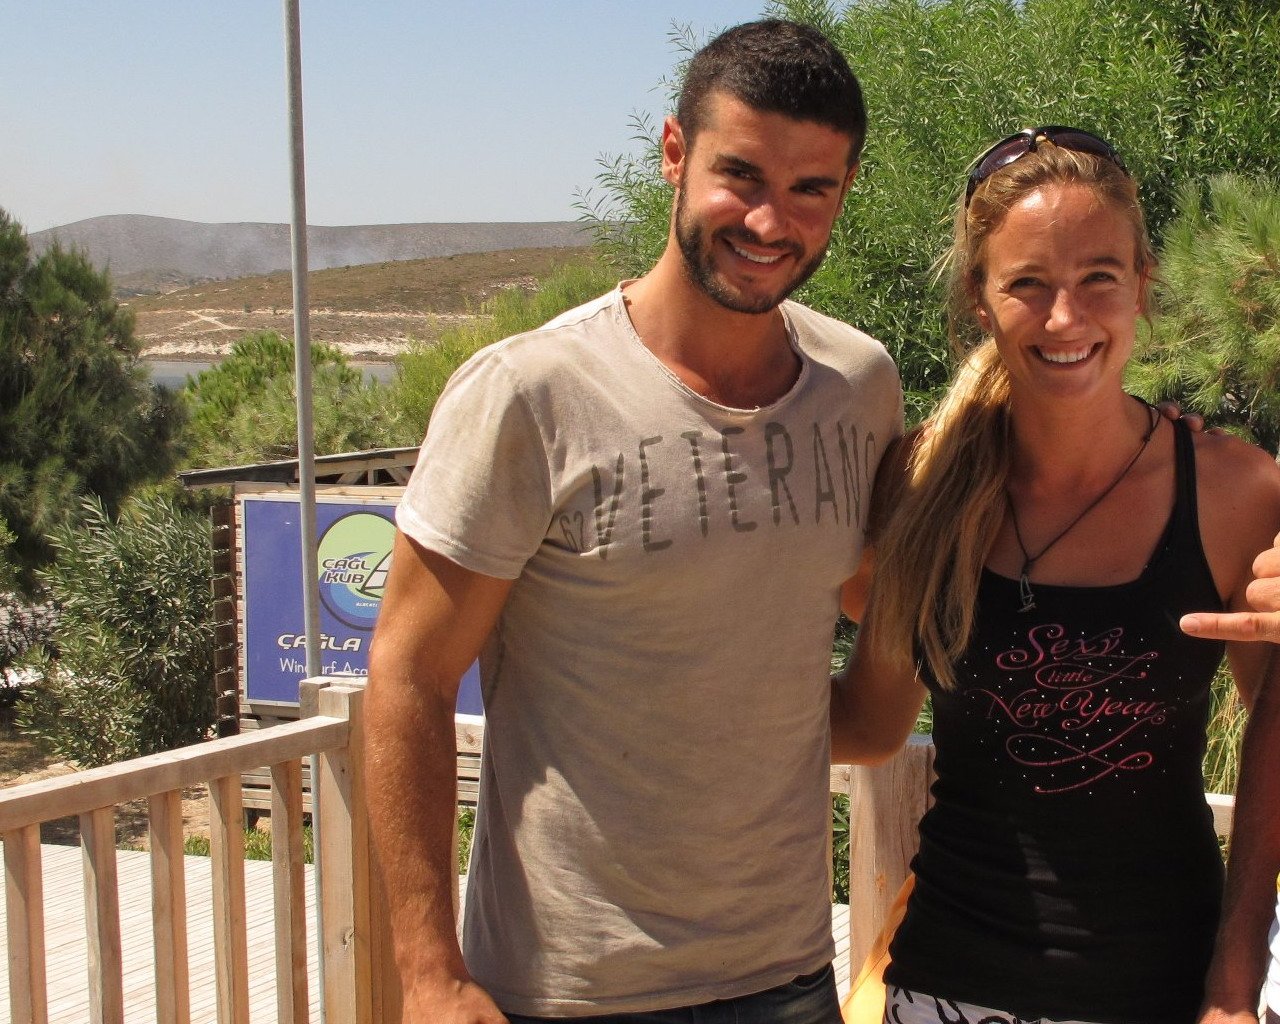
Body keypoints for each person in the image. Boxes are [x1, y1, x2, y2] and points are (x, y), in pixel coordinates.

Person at [365, 19, 902, 1024]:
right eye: (739, 175)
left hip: (788, 975)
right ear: (673, 153)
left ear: (845, 190)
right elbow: (408, 673)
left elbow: (877, 636)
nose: (769, 220)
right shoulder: (531, 394)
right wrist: (429, 974)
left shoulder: (858, 388)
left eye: (809, 189)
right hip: (568, 989)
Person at [830, 127, 1280, 1024]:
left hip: (1170, 991)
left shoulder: (1236, 493)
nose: (1065, 318)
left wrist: (1236, 980)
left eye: (1098, 278)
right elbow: (870, 725)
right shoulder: (921, 485)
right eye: (1028, 284)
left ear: (1143, 286)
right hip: (944, 986)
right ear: (979, 298)